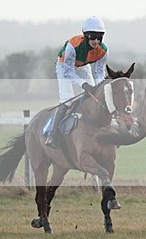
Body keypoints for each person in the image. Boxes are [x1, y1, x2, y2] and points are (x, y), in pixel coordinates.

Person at [45, 16, 108, 147]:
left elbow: (99, 72)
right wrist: (83, 84)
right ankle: (52, 135)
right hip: (64, 66)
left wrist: (100, 86)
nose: (96, 41)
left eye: (99, 37)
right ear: (86, 36)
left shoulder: (103, 51)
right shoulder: (73, 46)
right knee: (67, 99)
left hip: (83, 66)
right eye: (93, 37)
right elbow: (68, 72)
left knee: (94, 95)